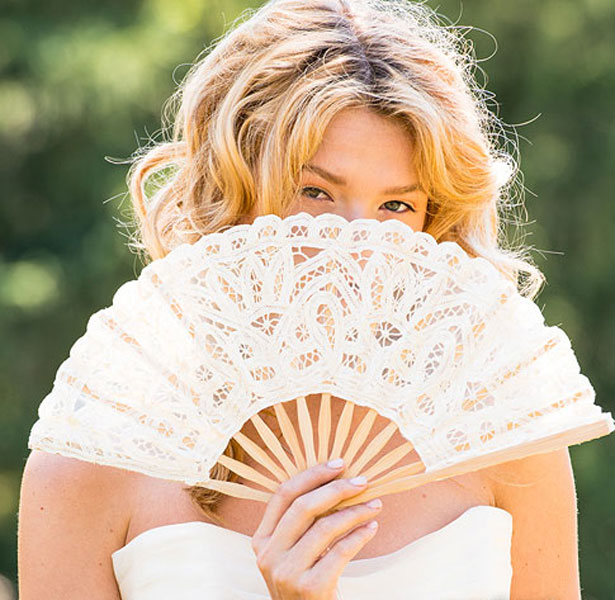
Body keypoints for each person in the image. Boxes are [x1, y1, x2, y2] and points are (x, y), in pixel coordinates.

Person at [18, 0, 581, 598]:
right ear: (231, 197)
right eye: (315, 192)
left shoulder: (503, 442)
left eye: (396, 206)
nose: (357, 247)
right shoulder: (91, 469)